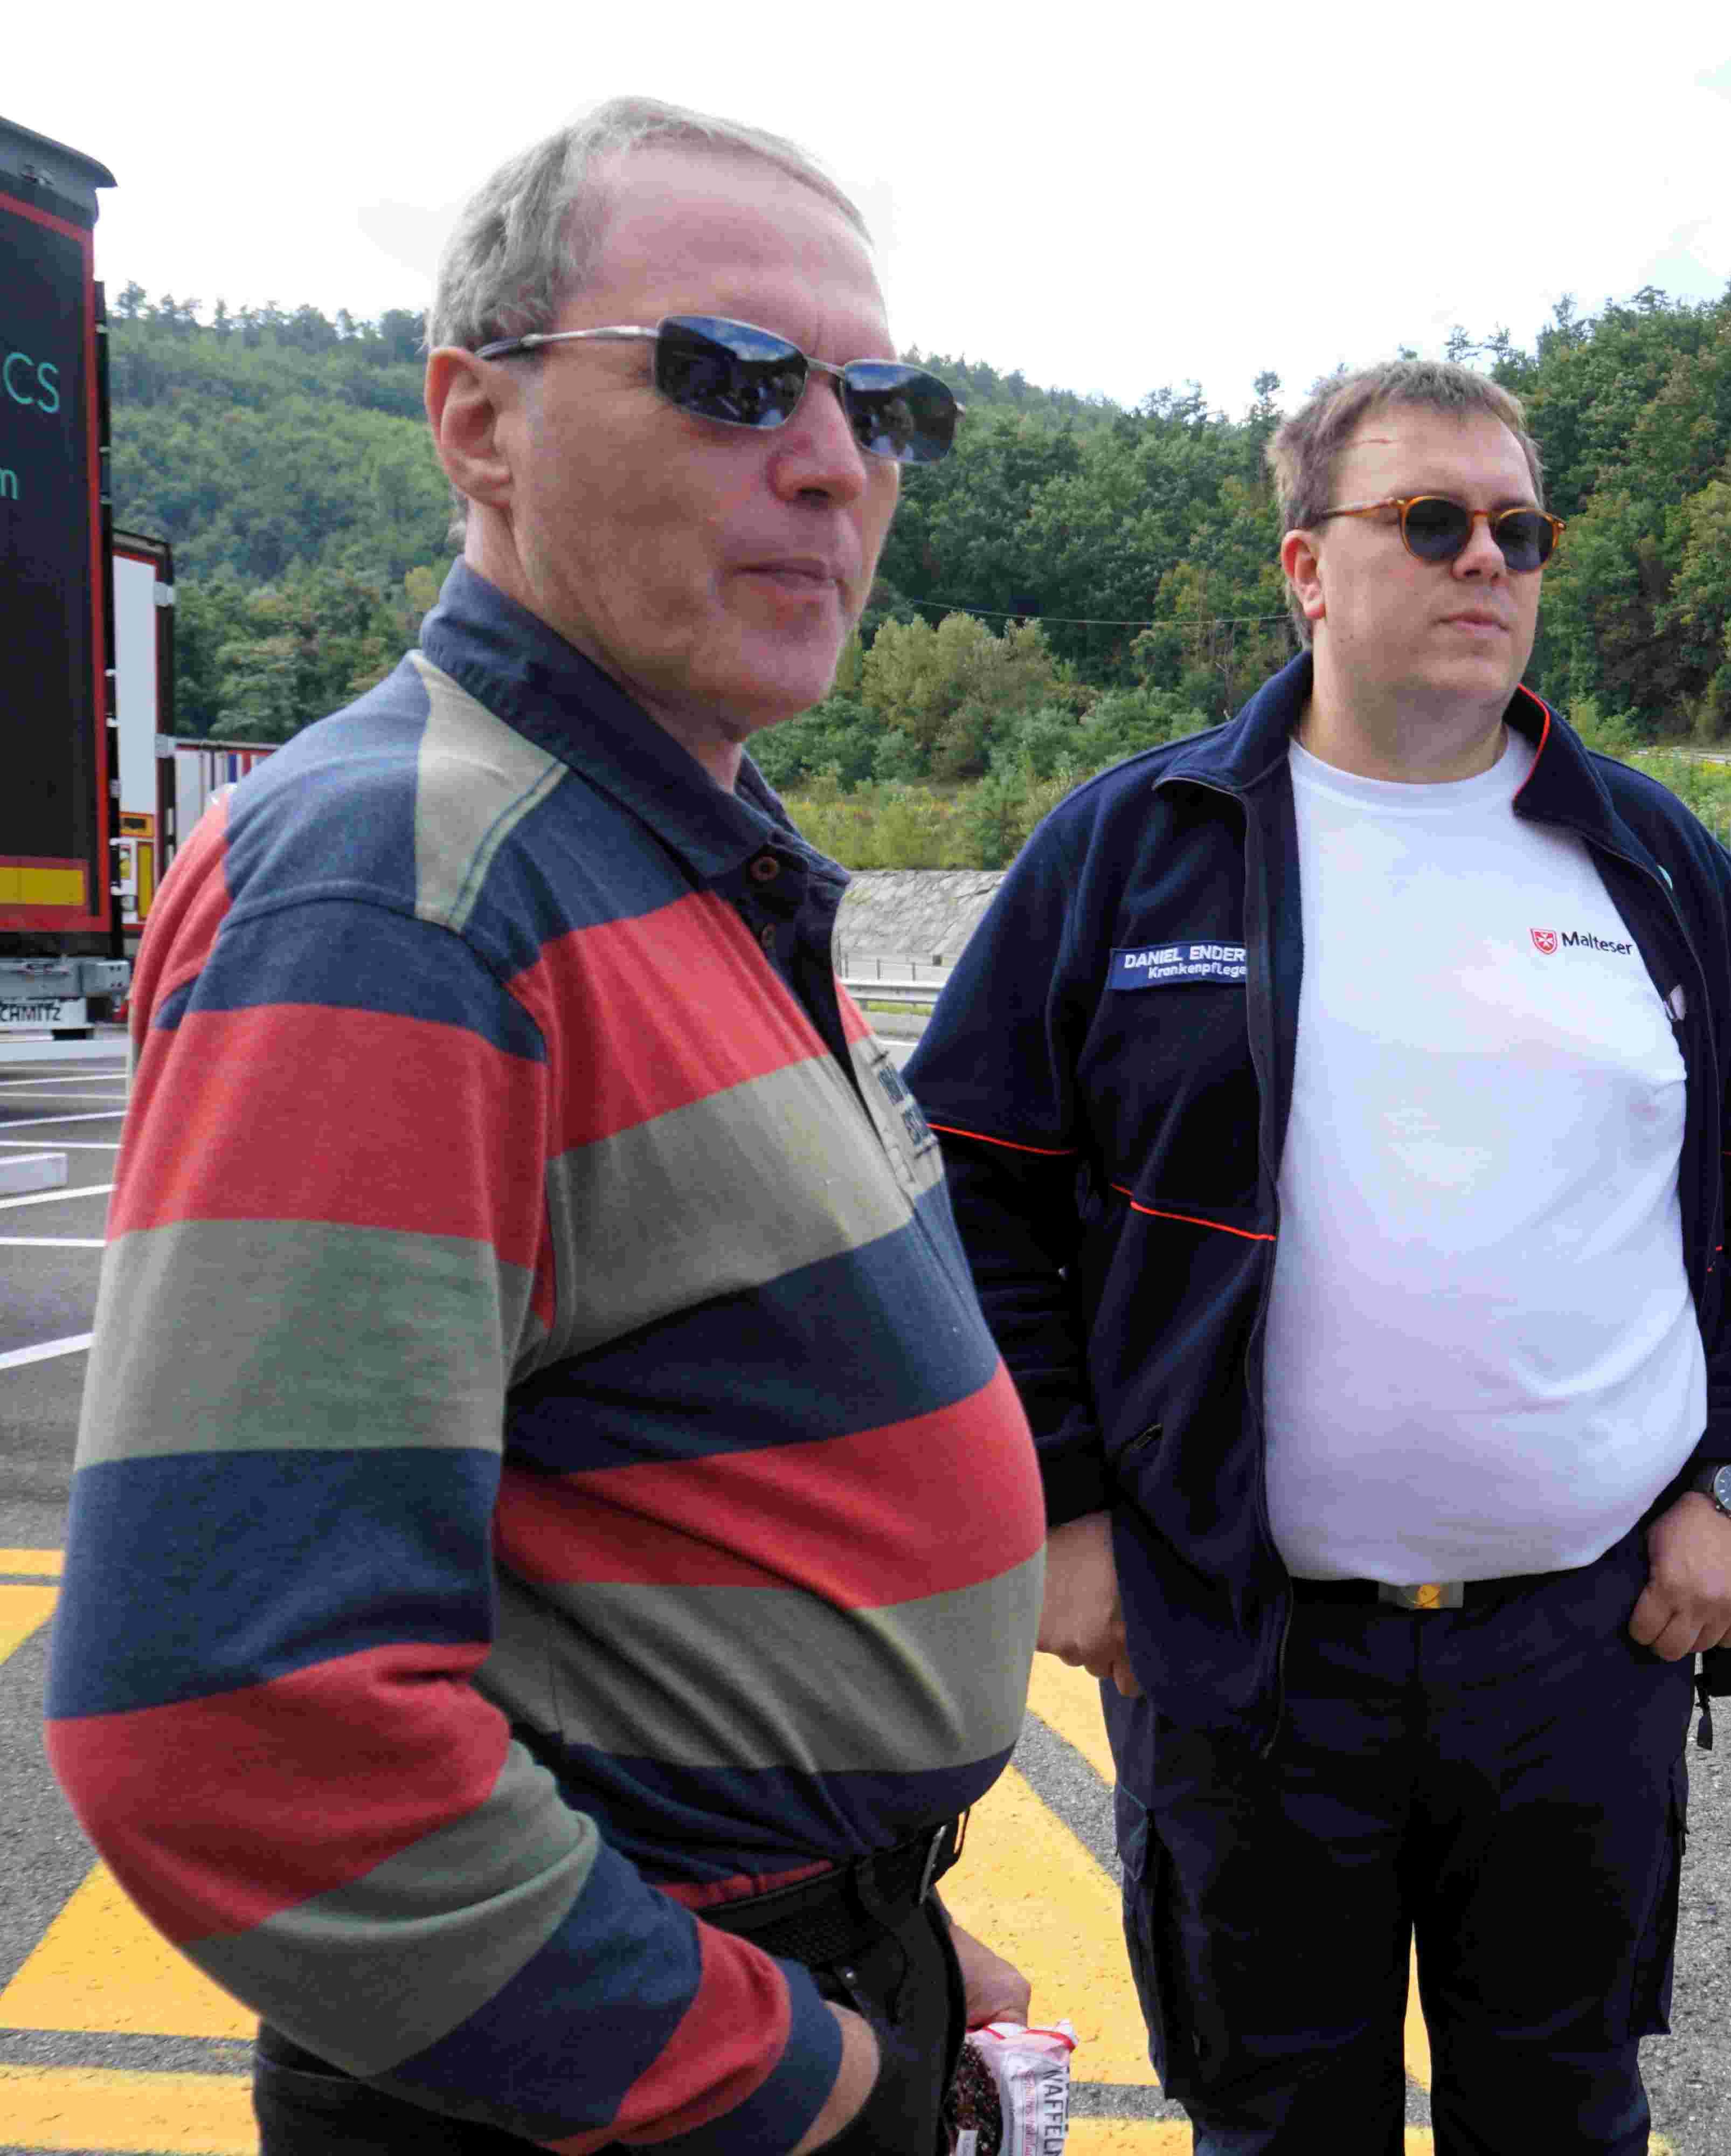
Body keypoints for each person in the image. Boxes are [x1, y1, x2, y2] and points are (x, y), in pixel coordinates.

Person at [45, 99, 1044, 2156]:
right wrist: (795, 2076)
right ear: (476, 424)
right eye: (726, 378)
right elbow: (234, 1728)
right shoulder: (409, 884)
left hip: (793, 1956)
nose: (832, 459)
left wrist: (897, 1942)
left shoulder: (668, 846)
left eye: (882, 405)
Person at [905, 357, 1731, 2152]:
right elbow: (972, 1188)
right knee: (1277, 2127)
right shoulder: (1136, 851)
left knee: (1566, 2121)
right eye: (1429, 520)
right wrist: (1060, 1509)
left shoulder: (1648, 860)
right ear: (1305, 568)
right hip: (1239, 1658)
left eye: (1520, 528)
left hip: (1582, 1651)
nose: (1482, 560)